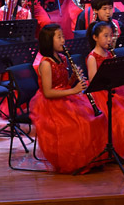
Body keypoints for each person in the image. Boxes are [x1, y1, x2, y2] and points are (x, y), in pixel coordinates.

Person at [30, 24, 107, 173]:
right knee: (79, 124)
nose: (63, 40)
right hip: (51, 103)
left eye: (63, 36)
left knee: (94, 118)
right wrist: (74, 90)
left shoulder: (63, 58)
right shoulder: (45, 63)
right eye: (59, 37)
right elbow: (48, 92)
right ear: (48, 41)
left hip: (66, 96)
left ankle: (91, 158)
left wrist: (72, 79)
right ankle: (76, 161)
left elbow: (63, 83)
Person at [85, 21, 124, 158]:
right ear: (95, 37)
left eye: (111, 36)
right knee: (123, 117)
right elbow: (93, 82)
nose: (109, 39)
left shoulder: (110, 53)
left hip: (114, 89)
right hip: (101, 94)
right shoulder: (92, 57)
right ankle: (118, 151)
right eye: (105, 36)